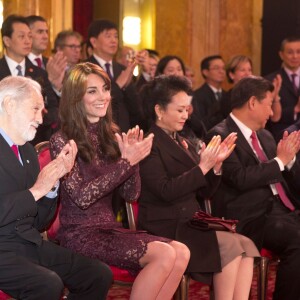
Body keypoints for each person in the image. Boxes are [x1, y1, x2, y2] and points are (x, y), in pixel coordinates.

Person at [49, 62, 190, 300]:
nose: (103, 96)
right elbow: (82, 197)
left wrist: (131, 162)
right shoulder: (61, 140)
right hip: (79, 234)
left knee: (182, 252)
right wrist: (126, 163)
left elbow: (131, 194)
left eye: (104, 88)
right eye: (92, 91)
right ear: (75, 97)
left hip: (110, 229)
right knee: (165, 254)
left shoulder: (111, 135)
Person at [138, 75, 260, 300]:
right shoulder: (149, 144)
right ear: (159, 110)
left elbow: (205, 193)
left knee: (247, 245)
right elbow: (165, 191)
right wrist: (202, 167)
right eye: (180, 110)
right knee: (232, 247)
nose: (186, 115)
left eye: (187, 110)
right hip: (165, 225)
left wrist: (215, 167)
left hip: (190, 221)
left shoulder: (180, 140)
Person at [0, 75, 112, 300]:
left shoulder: (28, 152)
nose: (40, 119)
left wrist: (52, 185)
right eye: (35, 108)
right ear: (9, 105)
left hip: (27, 242)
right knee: (48, 284)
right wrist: (37, 190)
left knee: (98, 274)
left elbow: (39, 222)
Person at [206, 76, 300, 300]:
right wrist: (278, 161)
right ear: (252, 103)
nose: (271, 112)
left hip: (282, 210)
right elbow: (238, 178)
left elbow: (284, 177)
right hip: (250, 216)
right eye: (269, 104)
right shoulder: (219, 134)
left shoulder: (266, 136)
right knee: (298, 239)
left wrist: (289, 162)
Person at [0, 14, 59, 145]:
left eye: (30, 36)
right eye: (22, 36)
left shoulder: (39, 73)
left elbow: (54, 107)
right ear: (7, 40)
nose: (27, 41)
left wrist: (41, 114)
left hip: (35, 141)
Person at [87, 19, 142, 132]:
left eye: (116, 36)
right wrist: (117, 85)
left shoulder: (122, 69)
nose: (114, 40)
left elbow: (134, 108)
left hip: (123, 131)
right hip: (97, 132)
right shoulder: (86, 69)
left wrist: (127, 87)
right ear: (94, 42)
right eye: (108, 36)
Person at [222, 55, 282, 121]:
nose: (247, 74)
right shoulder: (227, 99)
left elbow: (275, 118)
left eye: (249, 70)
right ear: (231, 75)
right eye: (242, 70)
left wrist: (275, 96)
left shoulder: (258, 94)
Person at [265, 36, 300, 142]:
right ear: (281, 54)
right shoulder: (271, 80)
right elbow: (267, 114)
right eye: (290, 52)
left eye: (298, 52)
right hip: (281, 138)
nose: (295, 56)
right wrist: (295, 109)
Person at [189, 55, 226, 139]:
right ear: (205, 72)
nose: (221, 71)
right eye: (216, 68)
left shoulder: (228, 95)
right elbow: (200, 124)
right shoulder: (197, 96)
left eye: (223, 68)